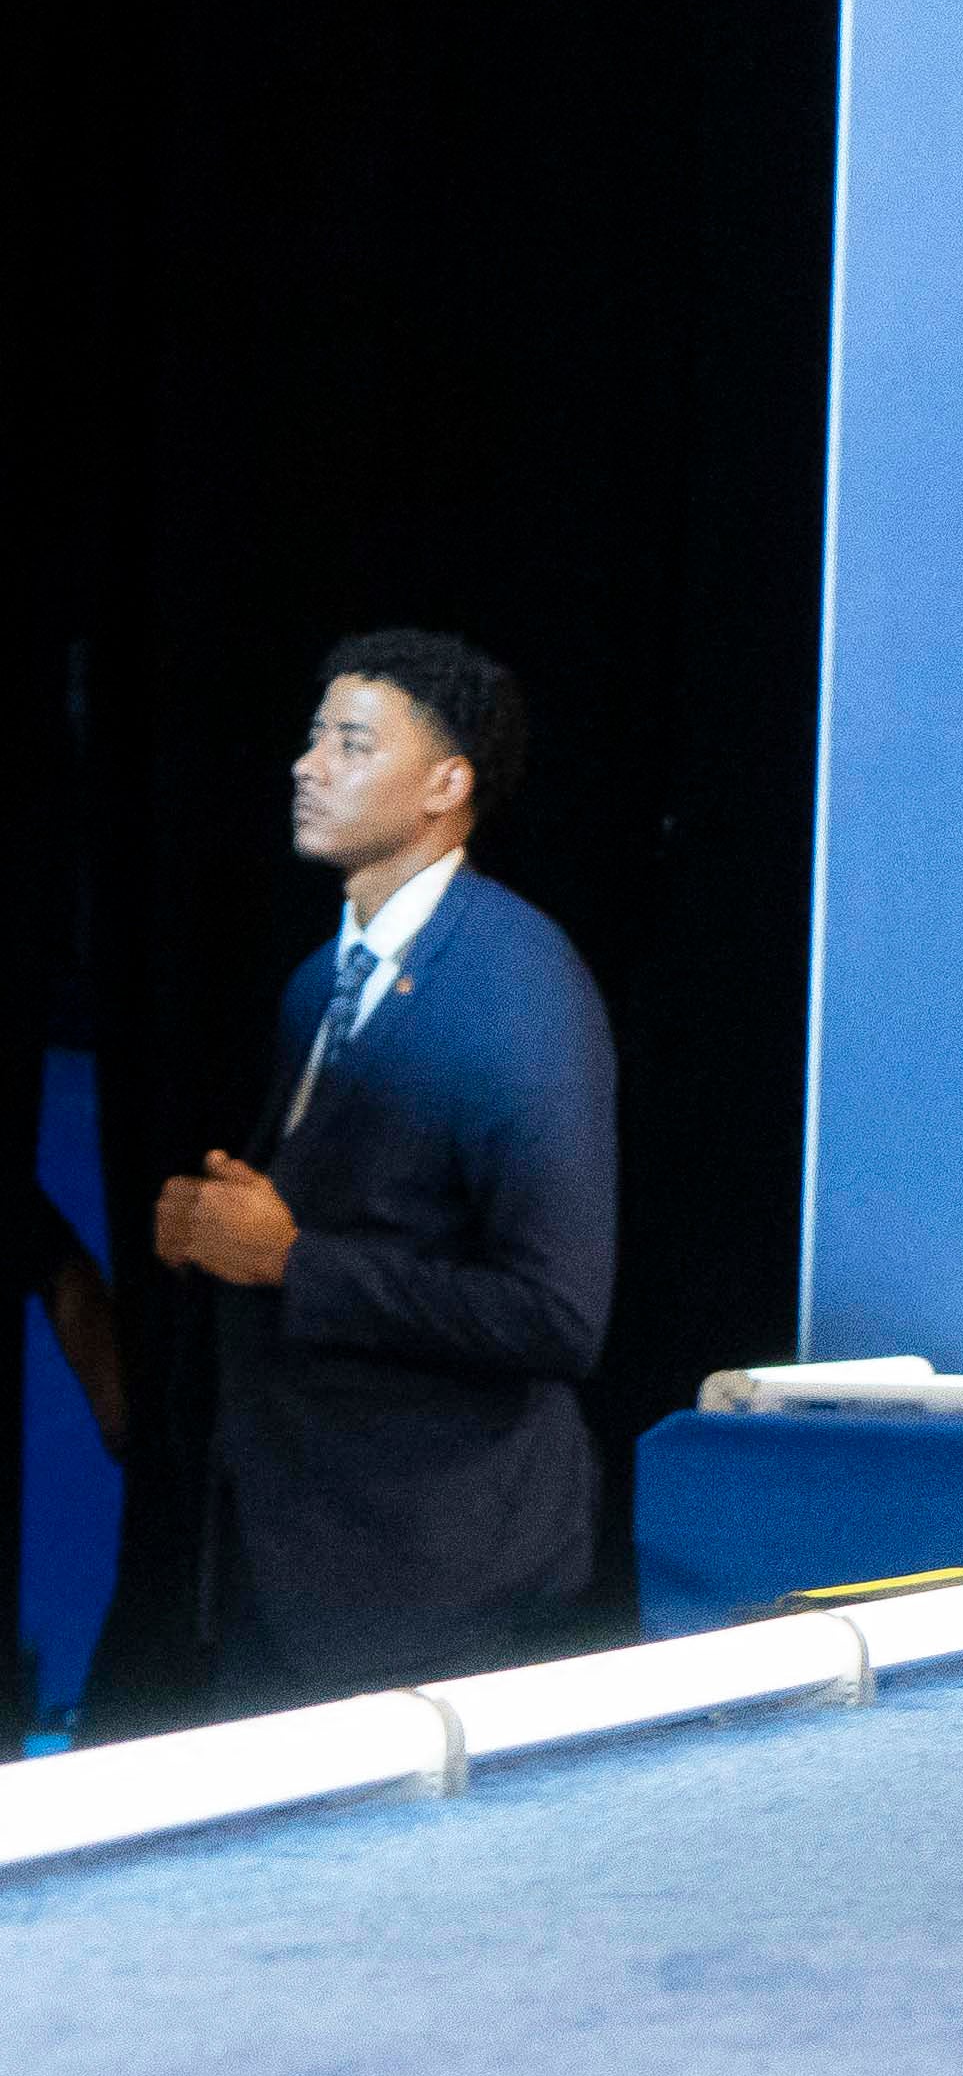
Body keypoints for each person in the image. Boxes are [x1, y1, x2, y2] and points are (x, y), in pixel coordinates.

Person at [149, 631, 618, 1704]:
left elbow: (557, 1314)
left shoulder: (517, 986)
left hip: (442, 1590)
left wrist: (289, 1261)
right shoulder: (320, 982)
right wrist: (210, 1232)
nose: (308, 765)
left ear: (447, 785)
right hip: (298, 1567)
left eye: (352, 743)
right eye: (314, 737)